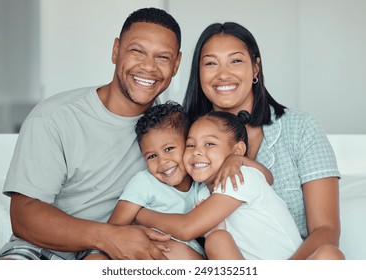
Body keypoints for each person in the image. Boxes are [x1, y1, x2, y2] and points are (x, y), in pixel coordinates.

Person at [0, 7, 183, 260]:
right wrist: (108, 236)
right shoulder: (56, 116)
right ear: (116, 50)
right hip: (42, 248)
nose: (148, 67)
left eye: (162, 57)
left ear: (176, 64)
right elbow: (24, 217)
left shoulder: (177, 130)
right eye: (137, 51)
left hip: (118, 255)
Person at [181, 22, 345, 260]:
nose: (223, 74)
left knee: (330, 257)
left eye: (235, 61)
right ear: (199, 72)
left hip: (296, 265)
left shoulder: (300, 128)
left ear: (255, 67)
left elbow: (326, 230)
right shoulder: (184, 140)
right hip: (225, 265)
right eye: (210, 63)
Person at [82, 102, 272, 260]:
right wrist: (96, 257)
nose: (162, 161)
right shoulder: (144, 183)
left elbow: (267, 178)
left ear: (188, 146)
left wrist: (237, 159)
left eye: (169, 149)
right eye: (151, 156)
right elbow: (113, 230)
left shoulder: (202, 182)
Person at [136, 110, 304, 259]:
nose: (197, 151)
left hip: (286, 267)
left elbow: (187, 228)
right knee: (216, 239)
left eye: (209, 144)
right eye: (190, 145)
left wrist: (139, 213)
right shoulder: (202, 193)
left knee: (216, 240)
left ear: (237, 150)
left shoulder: (239, 176)